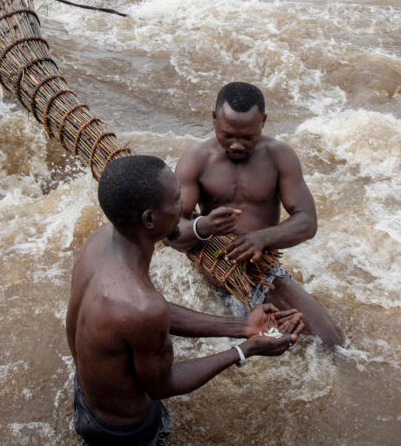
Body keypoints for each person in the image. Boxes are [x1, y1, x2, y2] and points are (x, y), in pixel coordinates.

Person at [66, 154, 304, 445]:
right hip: (124, 432)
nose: (184, 206)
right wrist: (245, 349)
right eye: (177, 199)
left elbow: (143, 313)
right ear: (149, 219)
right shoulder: (141, 306)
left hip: (87, 400)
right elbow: (163, 385)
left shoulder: (100, 242)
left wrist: (241, 326)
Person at [168, 82, 346, 348]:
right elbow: (169, 232)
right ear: (214, 119)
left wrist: (262, 238)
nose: (237, 145)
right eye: (228, 136)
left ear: (263, 122)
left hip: (262, 270)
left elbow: (307, 221)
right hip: (215, 268)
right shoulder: (196, 161)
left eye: (248, 137)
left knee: (330, 343)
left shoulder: (279, 157)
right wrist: (203, 226)